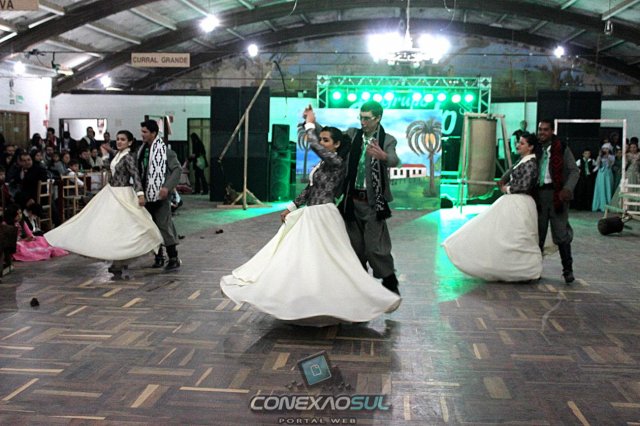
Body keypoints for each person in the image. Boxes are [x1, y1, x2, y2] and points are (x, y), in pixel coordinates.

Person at [220, 124, 400, 326]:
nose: (322, 143)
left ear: (336, 144)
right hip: (311, 214)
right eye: (320, 139)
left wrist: (310, 128)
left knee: (334, 261)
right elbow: (309, 189)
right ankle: (304, 304)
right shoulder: (323, 164)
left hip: (325, 215)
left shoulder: (337, 162)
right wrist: (291, 207)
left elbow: (320, 152)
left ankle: (363, 298)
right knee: (304, 260)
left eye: (326, 140)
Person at [44, 130, 163, 278]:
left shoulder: (128, 157)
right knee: (107, 225)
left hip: (123, 193)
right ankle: (116, 260)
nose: (119, 141)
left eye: (123, 139)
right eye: (118, 139)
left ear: (130, 142)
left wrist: (140, 194)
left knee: (125, 226)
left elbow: (135, 176)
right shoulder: (118, 155)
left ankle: (122, 260)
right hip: (111, 192)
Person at [443, 133, 542, 281]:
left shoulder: (530, 163)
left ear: (530, 147)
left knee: (519, 237)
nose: (518, 145)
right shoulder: (523, 161)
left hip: (520, 202)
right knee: (507, 235)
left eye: (522, 143)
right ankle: (512, 267)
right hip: (515, 201)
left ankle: (525, 269)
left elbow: (524, 185)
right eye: (518, 142)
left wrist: (507, 188)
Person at [338, 100, 401, 295]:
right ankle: (361, 287)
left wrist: (384, 157)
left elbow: (394, 160)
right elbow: (331, 136)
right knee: (355, 249)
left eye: (367, 118)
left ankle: (390, 281)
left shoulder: (387, 140)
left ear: (378, 118)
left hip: (374, 204)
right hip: (351, 202)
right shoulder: (352, 135)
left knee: (374, 248)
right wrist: (311, 124)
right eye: (361, 117)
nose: (362, 122)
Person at [536, 119, 579, 284]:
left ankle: (568, 270)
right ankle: (534, 269)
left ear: (552, 131)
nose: (542, 132)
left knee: (561, 234)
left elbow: (574, 171)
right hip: (539, 196)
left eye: (545, 129)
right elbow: (520, 165)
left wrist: (567, 189)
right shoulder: (535, 148)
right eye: (540, 129)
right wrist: (504, 179)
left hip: (557, 196)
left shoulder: (562, 148)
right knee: (538, 235)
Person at [137, 120, 182, 271]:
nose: (142, 134)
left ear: (153, 133)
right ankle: (158, 256)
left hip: (160, 196)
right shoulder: (142, 151)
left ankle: (173, 257)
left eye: (145, 132)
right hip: (146, 195)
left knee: (164, 225)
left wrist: (167, 187)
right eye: (142, 131)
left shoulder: (165, 151)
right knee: (151, 227)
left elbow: (177, 170)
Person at [592, 142, 615, 212]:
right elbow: (597, 164)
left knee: (607, 187)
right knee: (600, 188)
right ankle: (599, 205)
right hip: (601, 173)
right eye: (604, 149)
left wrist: (607, 157)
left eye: (606, 149)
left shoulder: (611, 156)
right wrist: (599, 157)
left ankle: (607, 205)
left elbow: (611, 165)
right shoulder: (600, 156)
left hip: (608, 173)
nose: (605, 150)